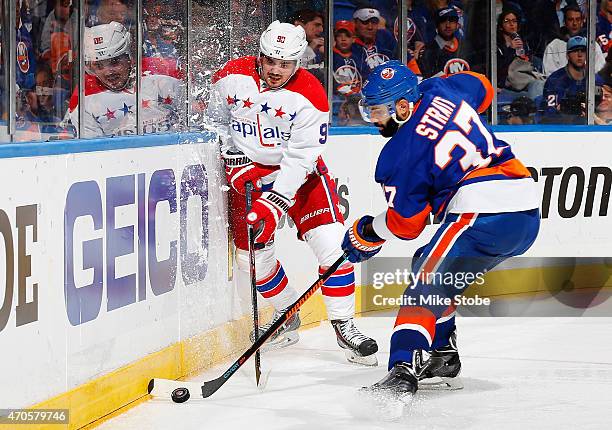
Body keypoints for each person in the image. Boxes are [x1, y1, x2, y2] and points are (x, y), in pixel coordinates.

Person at [341, 60, 540, 400]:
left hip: (482, 211)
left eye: (376, 111)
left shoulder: (400, 153)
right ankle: (443, 358)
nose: (372, 119)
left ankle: (402, 366)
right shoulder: (439, 89)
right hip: (525, 211)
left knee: (426, 282)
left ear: (402, 107)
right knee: (426, 263)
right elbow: (483, 85)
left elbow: (406, 226)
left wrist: (368, 231)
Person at [206, 21, 379, 365]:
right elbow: (217, 120)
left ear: (298, 61)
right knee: (250, 259)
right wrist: (235, 158)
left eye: (284, 64)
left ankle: (344, 325)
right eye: (270, 60)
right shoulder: (230, 76)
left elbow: (302, 158)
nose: (275, 70)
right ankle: (288, 314)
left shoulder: (311, 94)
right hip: (249, 176)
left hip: (302, 179)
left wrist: (275, 201)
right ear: (261, 54)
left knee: (333, 245)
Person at [65, 21, 184, 137]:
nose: (108, 72)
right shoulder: (83, 98)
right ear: (90, 67)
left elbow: (196, 118)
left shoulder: (164, 72)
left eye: (114, 62)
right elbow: (93, 150)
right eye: (99, 65)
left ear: (130, 57)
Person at [542, 35, 602, 123]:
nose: (580, 55)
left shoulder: (595, 79)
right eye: (575, 51)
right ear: (567, 55)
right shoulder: (554, 80)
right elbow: (550, 114)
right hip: (563, 127)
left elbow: (604, 110)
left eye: (583, 51)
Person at [543, 4, 606, 76]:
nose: (575, 23)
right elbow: (550, 75)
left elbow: (600, 71)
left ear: (582, 22)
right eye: (570, 20)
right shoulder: (554, 46)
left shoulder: (592, 45)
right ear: (564, 22)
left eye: (578, 19)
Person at [417, 7, 470, 78]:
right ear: (437, 25)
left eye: (452, 20)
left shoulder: (466, 47)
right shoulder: (427, 51)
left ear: (457, 24)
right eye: (443, 21)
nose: (448, 25)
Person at [353, 7, 398, 73]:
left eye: (374, 22)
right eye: (365, 22)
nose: (370, 27)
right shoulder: (349, 45)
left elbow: (409, 61)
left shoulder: (385, 36)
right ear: (355, 23)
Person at [332, 20, 368, 95]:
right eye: (339, 36)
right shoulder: (331, 56)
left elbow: (366, 77)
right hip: (337, 97)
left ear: (354, 39)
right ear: (335, 38)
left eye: (347, 36)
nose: (343, 39)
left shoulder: (359, 56)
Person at [291, 9, 325, 75]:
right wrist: (310, 49)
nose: (321, 30)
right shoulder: (287, 44)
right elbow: (292, 69)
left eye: (322, 26)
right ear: (299, 25)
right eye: (317, 25)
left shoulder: (317, 47)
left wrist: (325, 56)